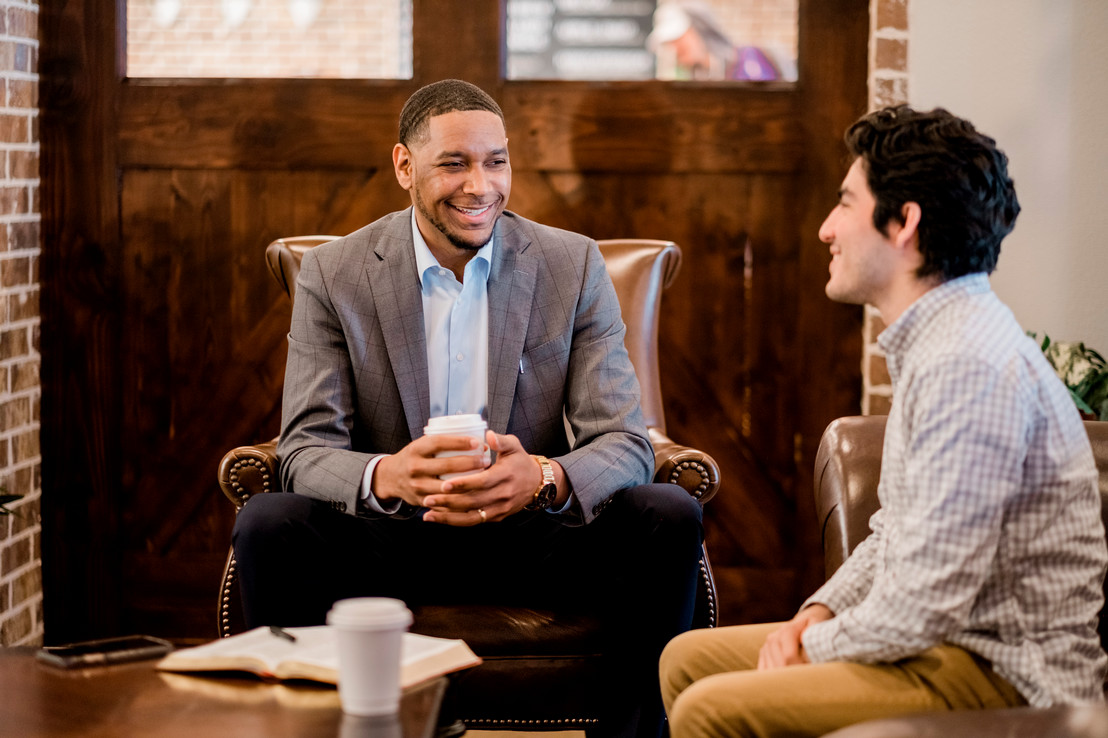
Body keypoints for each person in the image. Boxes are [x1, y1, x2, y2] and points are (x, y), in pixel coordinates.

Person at [231, 78, 704, 738]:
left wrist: (545, 476)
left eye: (495, 161)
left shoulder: (572, 265)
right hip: (390, 536)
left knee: (668, 513)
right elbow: (305, 450)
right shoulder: (335, 275)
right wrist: (386, 477)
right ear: (405, 166)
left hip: (532, 533)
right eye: (454, 163)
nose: (480, 186)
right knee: (269, 521)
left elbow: (625, 441)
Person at [659, 105, 1108, 737]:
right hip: (951, 646)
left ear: (904, 223)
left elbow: (928, 602)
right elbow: (896, 532)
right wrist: (816, 614)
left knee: (710, 709)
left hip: (1003, 668)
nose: (825, 229)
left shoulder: (967, 366)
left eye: (845, 203)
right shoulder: (939, 342)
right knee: (687, 659)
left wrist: (812, 649)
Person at [647, 1, 784, 82]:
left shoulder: (758, 59)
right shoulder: (696, 82)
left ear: (699, 28)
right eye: (670, 43)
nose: (675, 48)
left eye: (678, 39)